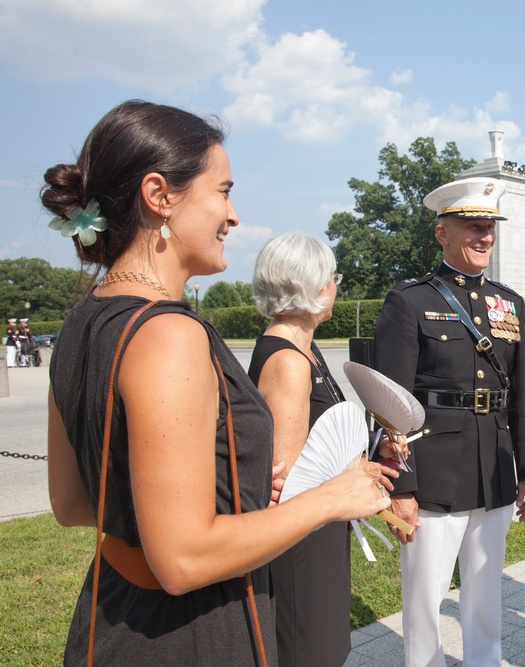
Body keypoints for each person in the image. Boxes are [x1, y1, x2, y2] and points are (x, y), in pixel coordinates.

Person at [43, 100, 391, 666]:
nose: (233, 216)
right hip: (188, 634)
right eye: (223, 190)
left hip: (110, 617)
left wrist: (239, 491)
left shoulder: (81, 320)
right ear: (160, 197)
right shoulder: (167, 335)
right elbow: (183, 560)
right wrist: (330, 498)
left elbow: (74, 501)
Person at [374, 176, 525, 667]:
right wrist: (400, 486)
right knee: (425, 598)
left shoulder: (509, 303)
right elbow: (389, 405)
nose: (484, 235)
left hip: (494, 469)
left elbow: (518, 397)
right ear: (442, 232)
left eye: (489, 225)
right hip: (433, 472)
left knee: (486, 592)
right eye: (472, 225)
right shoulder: (410, 301)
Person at [247, 231, 400, 667]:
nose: (336, 286)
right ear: (314, 285)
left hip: (323, 527)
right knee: (308, 649)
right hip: (301, 542)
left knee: (327, 646)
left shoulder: (305, 348)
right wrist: (356, 476)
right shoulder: (288, 362)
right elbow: (290, 483)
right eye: (333, 276)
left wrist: (370, 456)